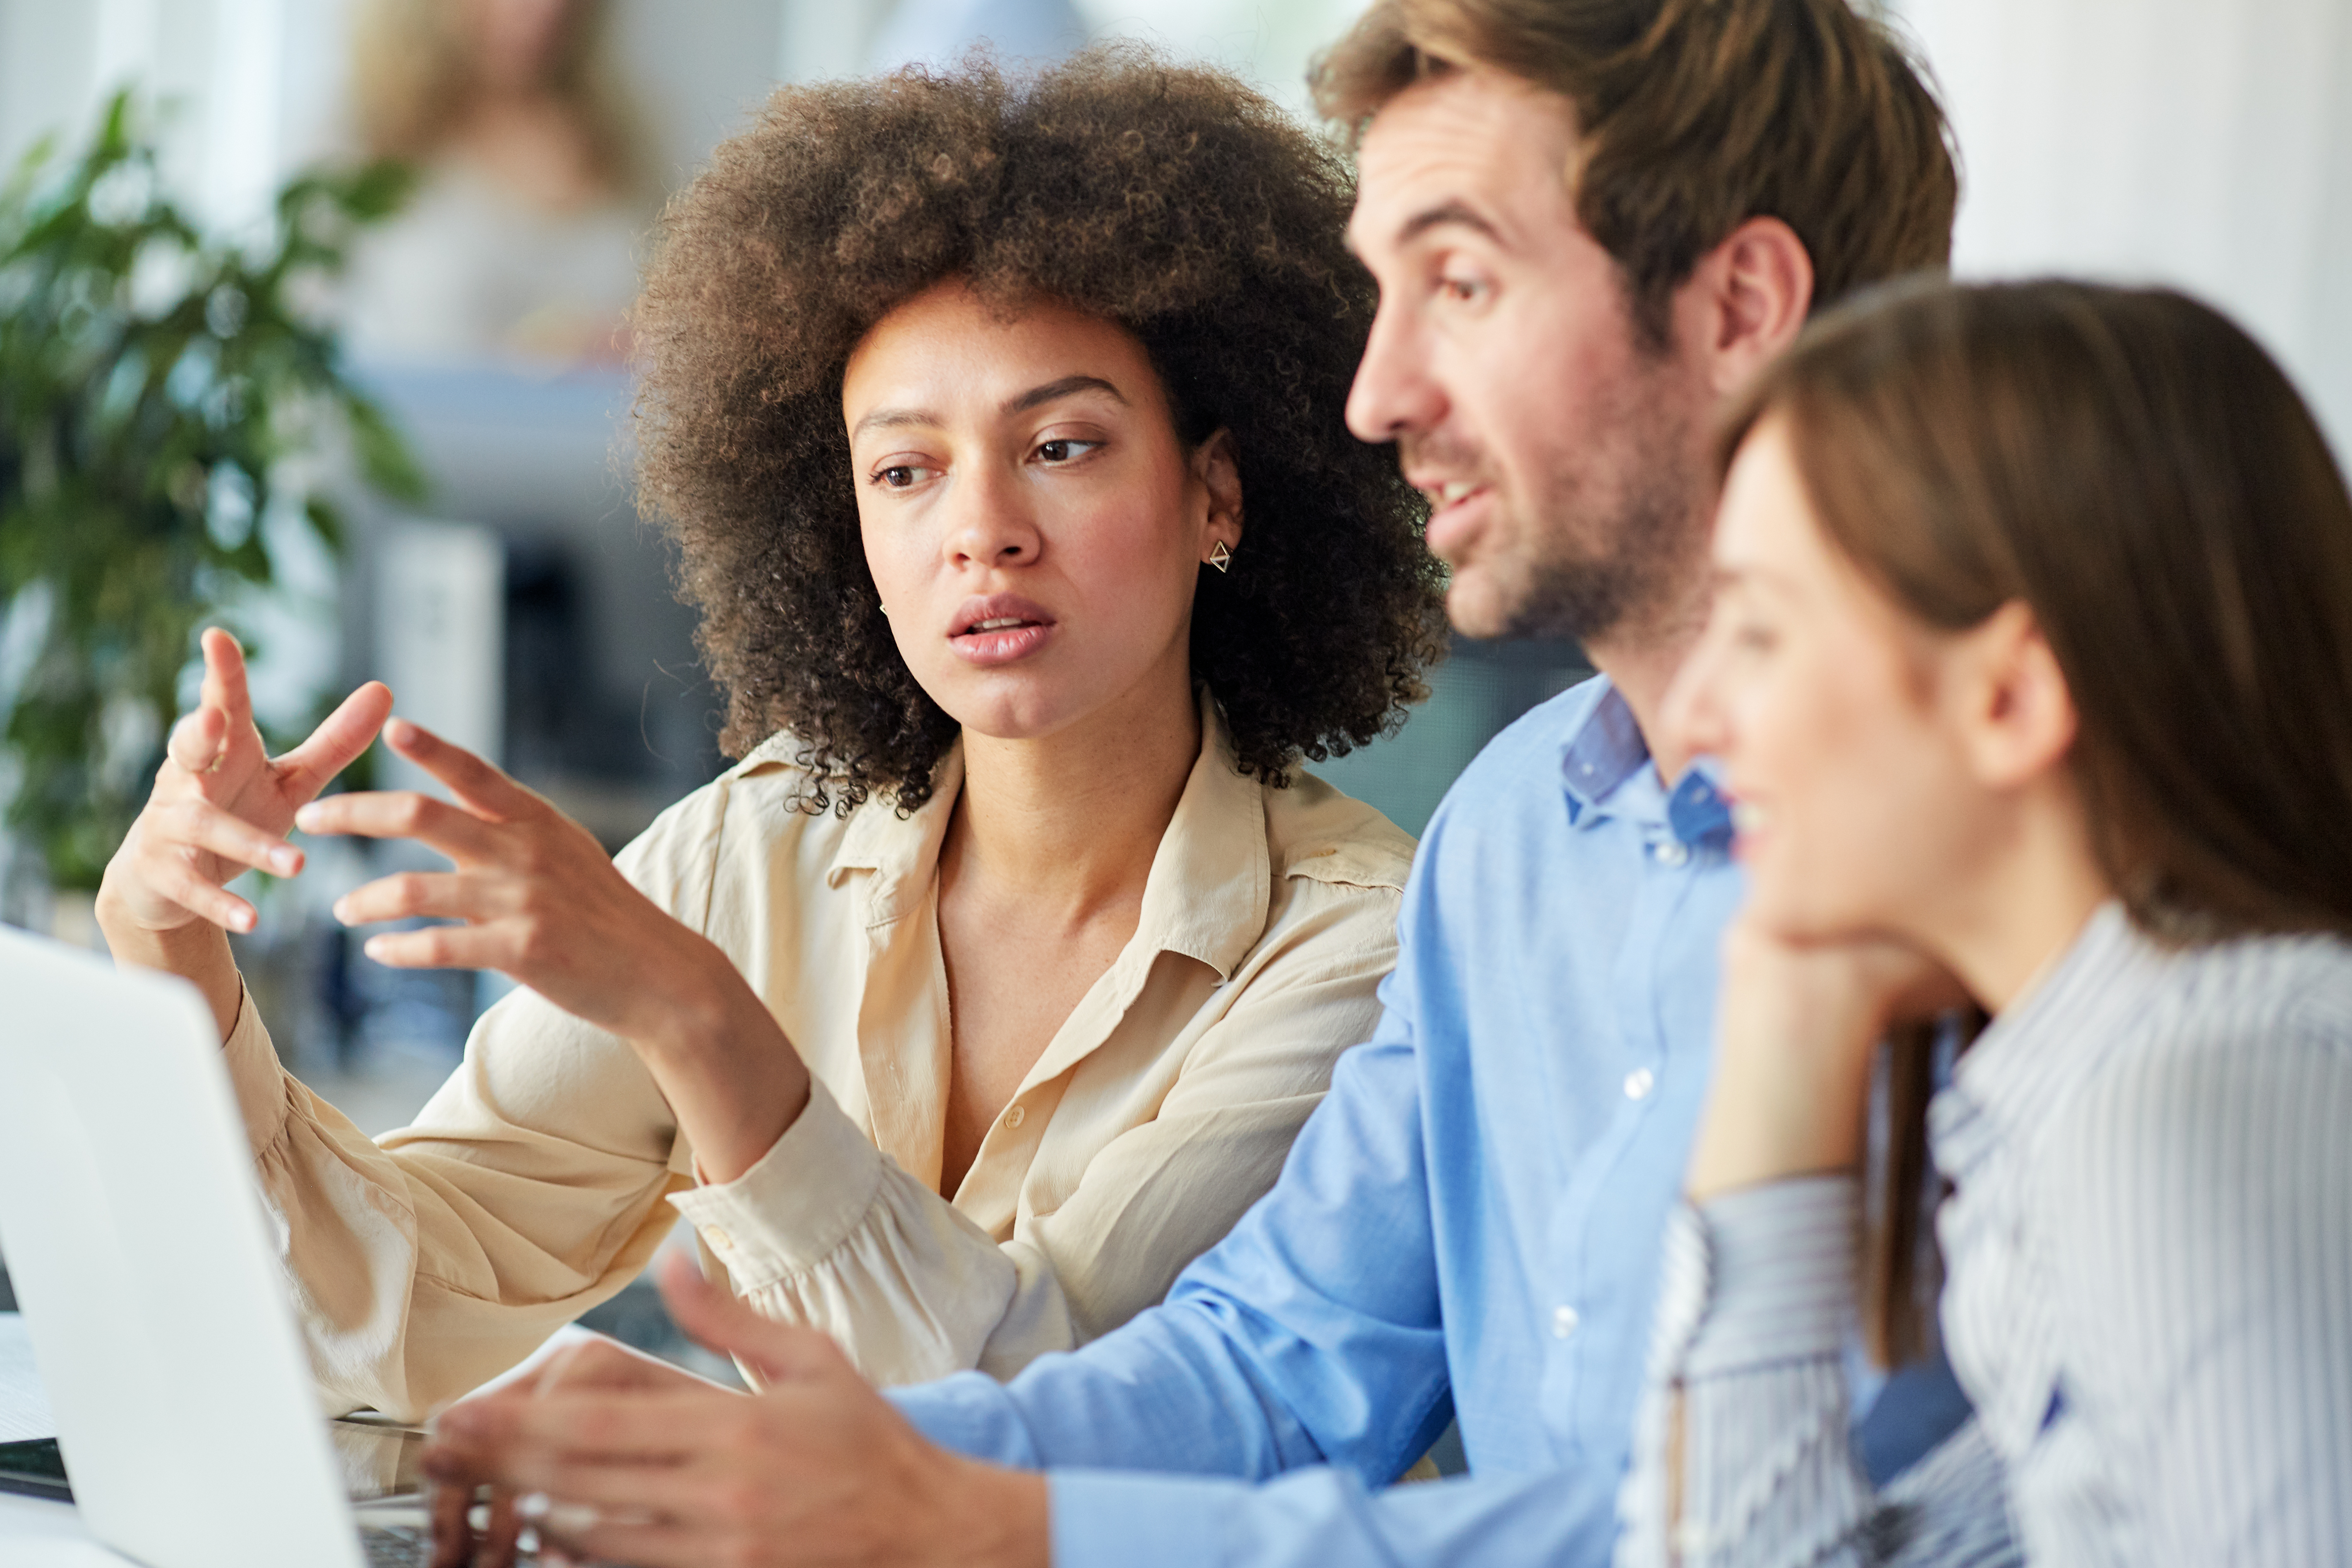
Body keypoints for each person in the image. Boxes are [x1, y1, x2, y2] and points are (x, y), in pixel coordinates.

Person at [417, 3, 1964, 1566]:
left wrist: (961, 1520)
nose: (1382, 397)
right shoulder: (1510, 839)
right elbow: (1275, 1366)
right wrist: (808, 1469)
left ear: (1743, 303)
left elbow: (1780, 1524)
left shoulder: (2009, 861)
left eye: (1466, 284)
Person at [96, 50, 1446, 1419]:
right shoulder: (761, 843)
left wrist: (699, 1022)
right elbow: (397, 1306)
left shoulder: (1363, 951)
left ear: (1218, 491)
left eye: (1061, 446)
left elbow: (1050, 1421)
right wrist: (175, 950)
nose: (983, 529)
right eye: (905, 470)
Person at [1612, 280, 2352, 1565]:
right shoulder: (2090, 1092)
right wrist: (1790, 1014)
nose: (1700, 711)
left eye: (1762, 631)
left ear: (2010, 697)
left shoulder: (2191, 1106)